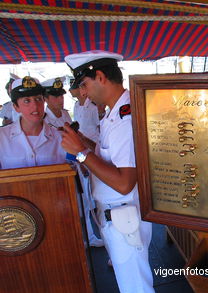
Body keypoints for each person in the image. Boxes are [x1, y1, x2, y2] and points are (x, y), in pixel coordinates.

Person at [61, 50, 154, 293]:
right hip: (118, 216)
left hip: (124, 217)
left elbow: (124, 182)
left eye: (84, 84)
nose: (82, 92)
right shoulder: (114, 112)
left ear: (100, 77)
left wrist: (81, 152)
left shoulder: (125, 117)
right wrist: (84, 143)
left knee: (136, 289)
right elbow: (110, 158)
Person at [0, 76, 66, 169]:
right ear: (16, 107)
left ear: (44, 101)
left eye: (38, 99)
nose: (35, 106)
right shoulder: (2, 137)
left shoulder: (60, 138)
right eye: (27, 101)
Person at [70, 79, 104, 247]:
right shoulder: (76, 107)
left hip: (96, 154)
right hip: (81, 154)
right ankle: (89, 236)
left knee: (99, 198)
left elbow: (101, 129)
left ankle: (104, 236)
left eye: (74, 87)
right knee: (86, 198)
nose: (70, 92)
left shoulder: (94, 107)